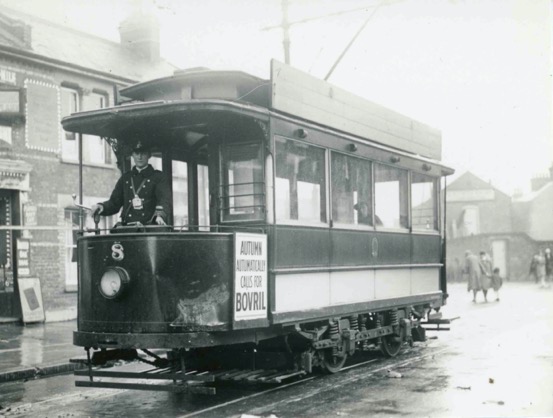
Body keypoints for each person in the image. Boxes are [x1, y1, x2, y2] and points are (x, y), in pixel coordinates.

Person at [91, 141, 170, 226]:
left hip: (148, 230)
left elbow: (164, 200)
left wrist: (159, 216)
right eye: (136, 153)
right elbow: (114, 203)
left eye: (143, 153)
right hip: (128, 229)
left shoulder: (158, 177)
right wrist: (102, 207)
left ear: (149, 155)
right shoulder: (126, 178)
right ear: (132, 155)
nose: (139, 157)